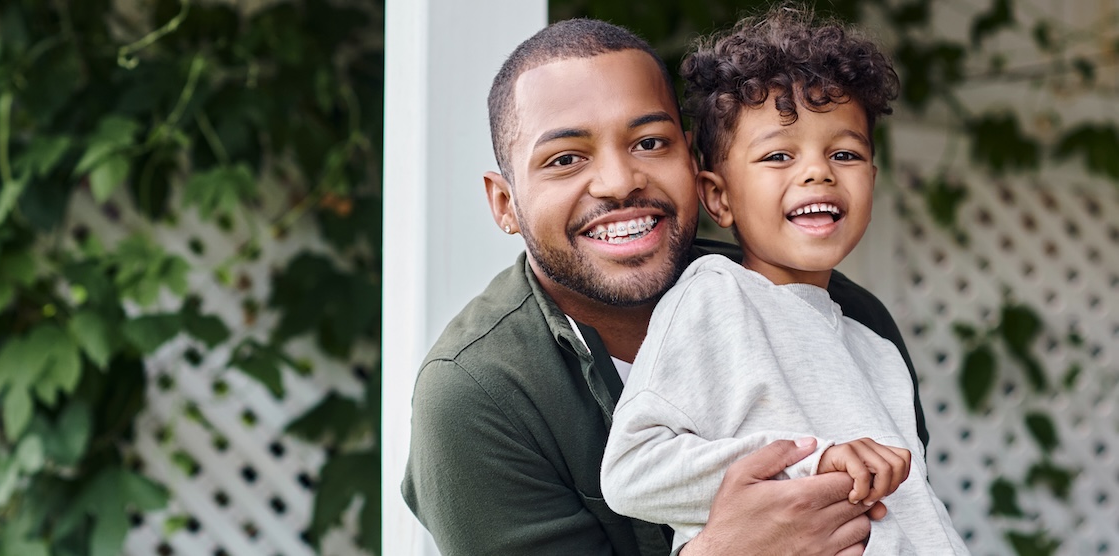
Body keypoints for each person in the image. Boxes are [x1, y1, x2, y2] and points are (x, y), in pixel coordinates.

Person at [401, 15, 928, 555]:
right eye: (565, 159)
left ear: (695, 161)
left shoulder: (847, 317)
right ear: (505, 203)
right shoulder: (478, 394)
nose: (619, 181)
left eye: (649, 142)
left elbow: (915, 515)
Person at [599, 6, 967, 554]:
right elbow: (633, 470)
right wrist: (812, 462)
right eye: (777, 155)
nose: (818, 171)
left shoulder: (878, 352)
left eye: (844, 153)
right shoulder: (715, 297)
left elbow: (916, 516)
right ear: (719, 196)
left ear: (871, 179)